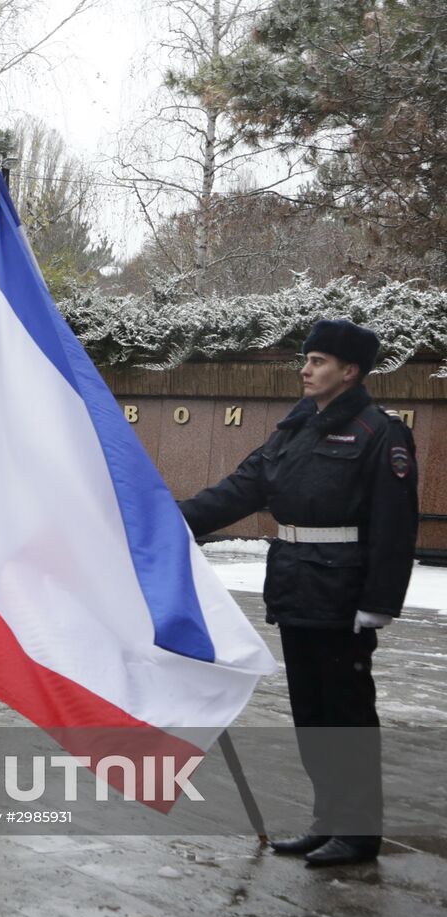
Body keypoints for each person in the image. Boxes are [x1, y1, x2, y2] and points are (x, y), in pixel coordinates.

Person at [179, 319, 417, 867]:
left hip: (344, 588)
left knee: (346, 713)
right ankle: (328, 821)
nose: (305, 370)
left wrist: (379, 601)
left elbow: (394, 522)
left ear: (349, 371)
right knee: (311, 711)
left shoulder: (379, 432)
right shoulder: (295, 428)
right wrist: (167, 523)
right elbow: (242, 489)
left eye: (318, 361)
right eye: (305, 360)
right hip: (297, 581)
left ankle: (358, 833)